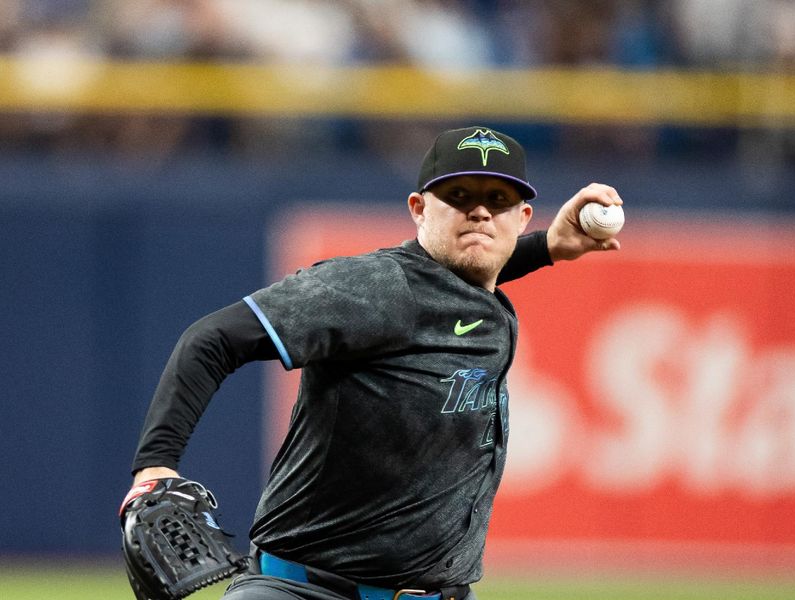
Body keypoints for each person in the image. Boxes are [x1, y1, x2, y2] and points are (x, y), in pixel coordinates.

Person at [127, 126, 623, 600]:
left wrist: (547, 248)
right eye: (459, 196)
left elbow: (461, 279)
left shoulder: (474, 295)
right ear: (419, 208)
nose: (479, 213)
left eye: (498, 200)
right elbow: (211, 339)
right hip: (306, 589)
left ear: (522, 216)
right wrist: (155, 466)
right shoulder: (374, 287)